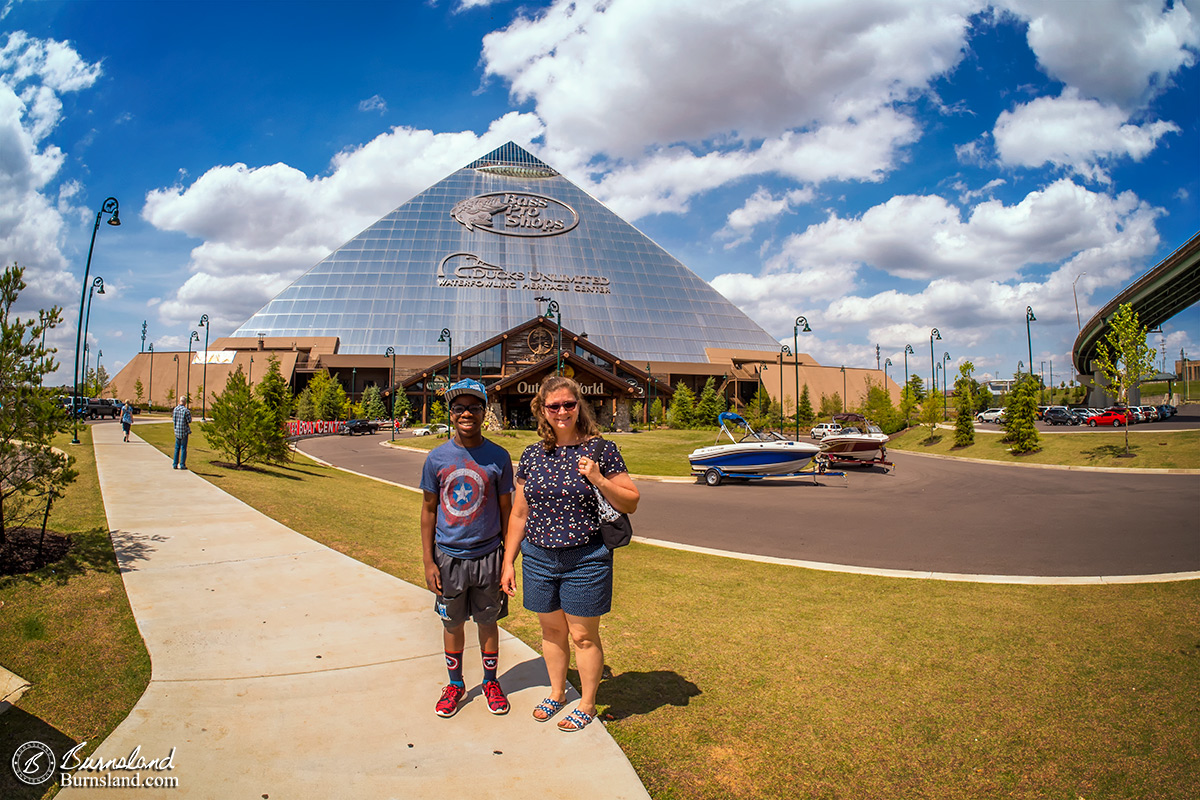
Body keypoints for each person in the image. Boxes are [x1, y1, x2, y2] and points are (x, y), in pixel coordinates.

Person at [500, 376, 639, 732]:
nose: (562, 411)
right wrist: (508, 562)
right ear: (542, 411)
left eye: (569, 404)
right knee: (550, 632)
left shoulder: (600, 450)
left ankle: (588, 703)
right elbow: (519, 513)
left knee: (583, 636)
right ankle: (558, 693)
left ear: (579, 406)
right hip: (538, 558)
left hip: (586, 558)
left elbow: (631, 501)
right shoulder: (532, 455)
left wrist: (599, 479)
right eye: (554, 406)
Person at [420, 379, 514, 718]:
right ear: (451, 412)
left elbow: (507, 510)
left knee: (488, 623)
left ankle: (490, 681)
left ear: (484, 411)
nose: (466, 413)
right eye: (459, 407)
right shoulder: (437, 458)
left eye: (474, 406)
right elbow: (429, 510)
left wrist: (507, 560)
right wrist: (430, 560)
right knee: (452, 624)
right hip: (449, 558)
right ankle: (455, 683)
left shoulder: (498, 457)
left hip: (489, 556)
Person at [172, 396, 191, 469]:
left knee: (177, 448)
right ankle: (182, 464)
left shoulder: (175, 409)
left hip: (177, 431)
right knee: (183, 448)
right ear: (185, 402)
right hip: (184, 432)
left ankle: (175, 464)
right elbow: (189, 420)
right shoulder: (186, 411)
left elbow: (174, 420)